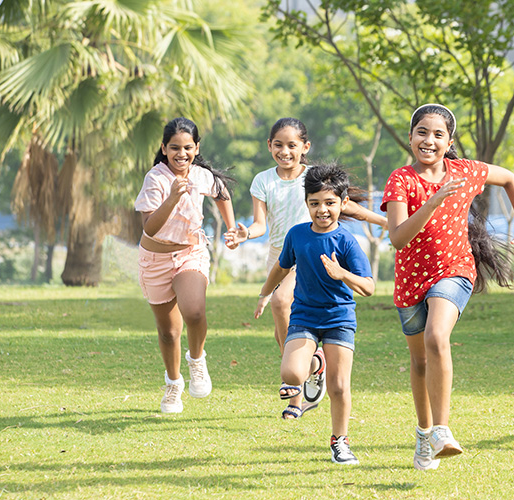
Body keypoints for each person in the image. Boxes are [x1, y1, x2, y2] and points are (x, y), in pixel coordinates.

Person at [381, 104, 514, 470]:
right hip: (410, 281)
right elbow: (399, 238)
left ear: (449, 141)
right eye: (422, 132)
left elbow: (511, 178)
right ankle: (424, 434)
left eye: (438, 135)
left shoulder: (465, 171)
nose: (429, 140)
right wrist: (433, 201)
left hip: (454, 271)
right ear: (410, 136)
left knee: (437, 337)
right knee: (419, 362)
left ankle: (442, 429)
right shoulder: (401, 179)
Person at [225, 118, 385, 420]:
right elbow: (260, 224)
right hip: (282, 251)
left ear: (305, 147)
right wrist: (245, 234)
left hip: (309, 253)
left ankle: (296, 386)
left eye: (292, 145)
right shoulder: (262, 180)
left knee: (281, 301)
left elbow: (348, 206)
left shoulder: (314, 179)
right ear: (269, 146)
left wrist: (386, 223)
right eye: (278, 145)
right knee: (281, 329)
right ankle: (310, 368)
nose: (285, 151)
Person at [254, 162, 374, 464]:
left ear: (343, 203)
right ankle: (315, 364)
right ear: (306, 203)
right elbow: (281, 267)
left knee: (338, 386)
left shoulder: (347, 240)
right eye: (315, 203)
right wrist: (264, 294)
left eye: (330, 203)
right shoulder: (297, 235)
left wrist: (342, 274)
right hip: (305, 316)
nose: (322, 210)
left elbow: (369, 287)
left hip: (339, 319)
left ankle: (340, 442)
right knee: (291, 374)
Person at [134, 117, 237, 414]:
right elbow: (150, 228)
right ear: (164, 149)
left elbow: (221, 192)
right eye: (175, 148)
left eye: (188, 148)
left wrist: (231, 229)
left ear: (196, 148)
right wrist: (172, 197)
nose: (182, 154)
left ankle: (197, 360)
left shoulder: (201, 174)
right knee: (169, 332)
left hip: (191, 252)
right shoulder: (156, 178)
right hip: (155, 259)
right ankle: (173, 383)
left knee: (194, 310)